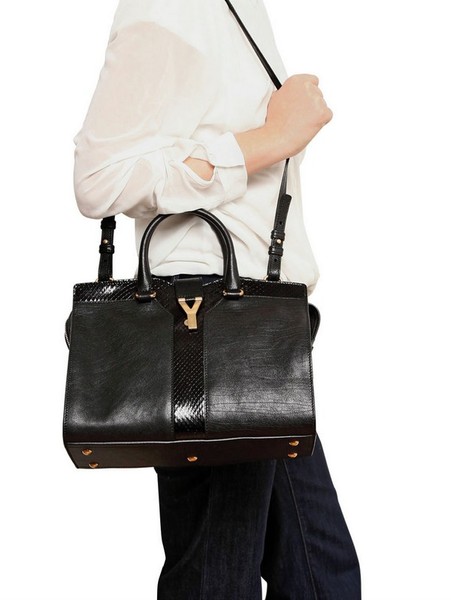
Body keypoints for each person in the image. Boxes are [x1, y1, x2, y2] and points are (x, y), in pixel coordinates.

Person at [73, 1, 361, 598]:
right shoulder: (168, 7)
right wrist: (274, 137)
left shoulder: (239, 8)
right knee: (218, 578)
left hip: (267, 330)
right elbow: (99, 179)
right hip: (209, 331)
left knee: (321, 571)